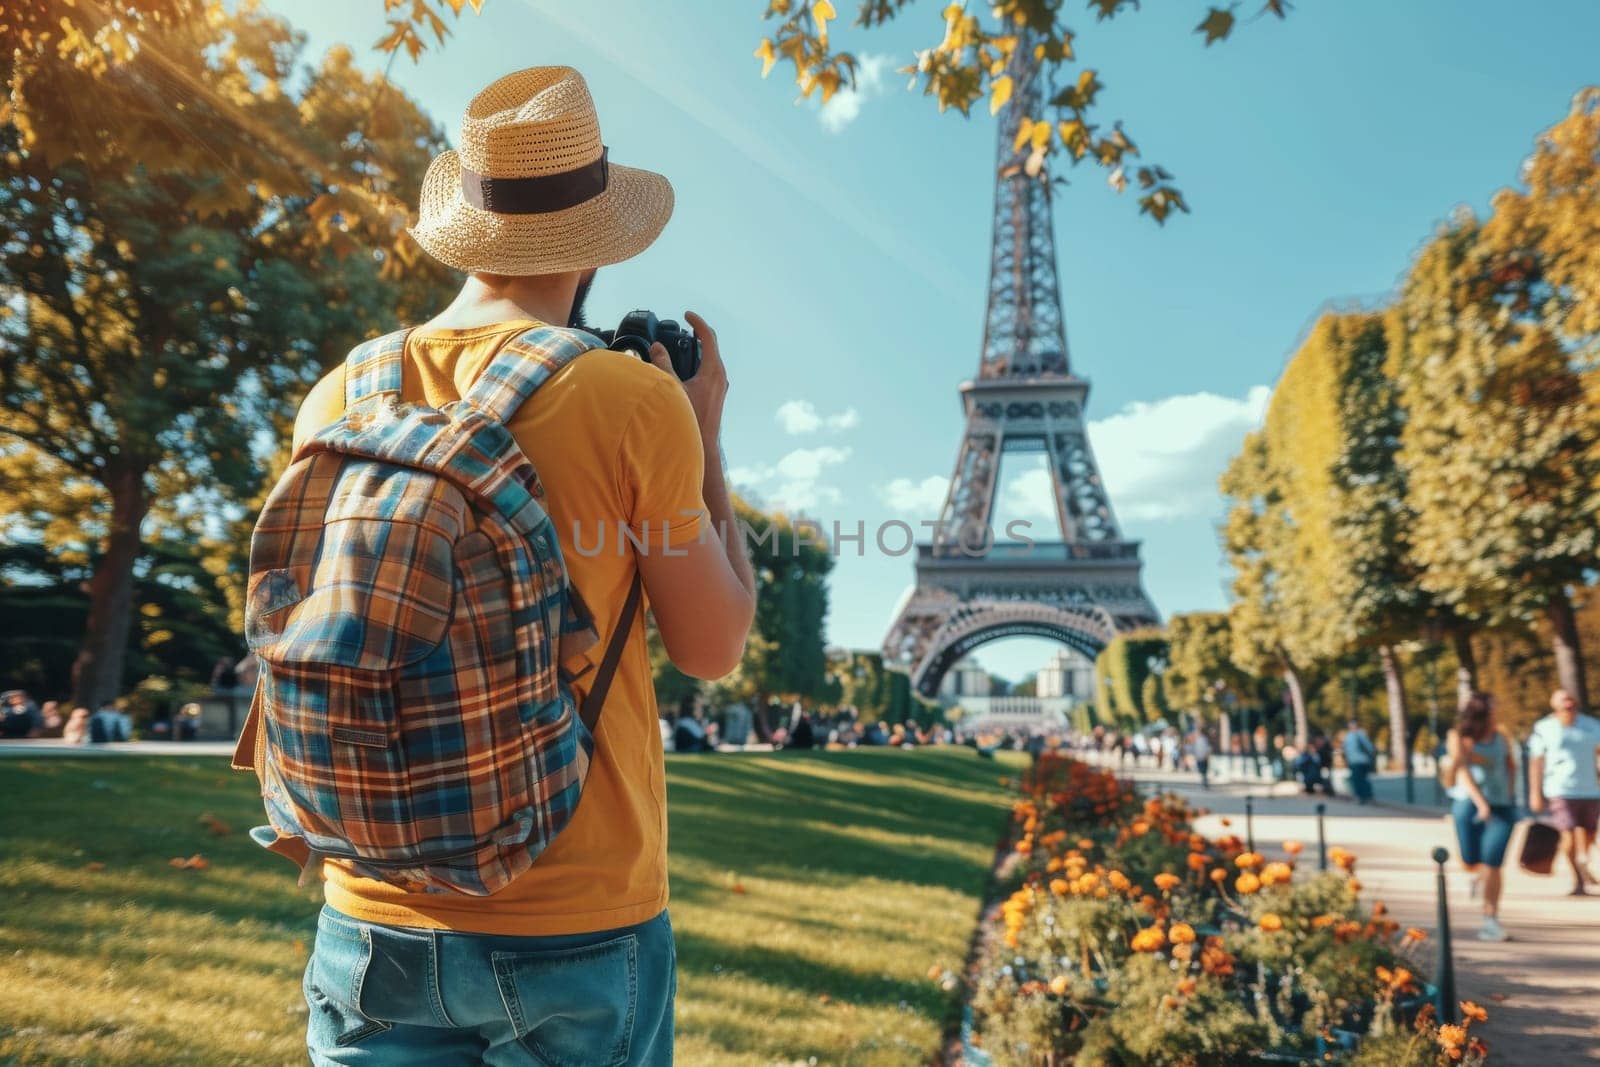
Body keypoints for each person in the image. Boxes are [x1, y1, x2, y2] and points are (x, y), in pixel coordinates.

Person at [283, 67, 755, 1064]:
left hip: (369, 902)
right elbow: (714, 647)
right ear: (597, 238)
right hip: (576, 907)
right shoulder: (627, 399)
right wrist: (705, 437)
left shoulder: (336, 394)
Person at [1444, 692, 1516, 941]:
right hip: (1467, 804)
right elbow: (1462, 771)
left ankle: (1490, 920)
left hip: (1502, 808)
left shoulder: (1502, 735)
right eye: (1494, 709)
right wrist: (1481, 803)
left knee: (1493, 862)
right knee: (1470, 858)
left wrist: (1509, 793)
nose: (1498, 713)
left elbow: (1511, 765)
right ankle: (1476, 876)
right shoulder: (1460, 737)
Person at [1527, 688, 1600, 896]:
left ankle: (1583, 861)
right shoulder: (1544, 728)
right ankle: (1578, 879)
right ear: (1553, 704)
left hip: (1590, 790)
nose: (1567, 703)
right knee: (1567, 836)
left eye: (1570, 698)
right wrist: (1535, 792)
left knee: (1589, 834)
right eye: (1562, 699)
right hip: (1559, 789)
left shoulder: (1591, 726)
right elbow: (1536, 761)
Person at [1342, 720, 1377, 804]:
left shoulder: (1360, 735)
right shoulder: (1349, 736)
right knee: (1357, 779)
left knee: (1360, 779)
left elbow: (1370, 748)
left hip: (1361, 761)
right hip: (1354, 761)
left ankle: (1364, 796)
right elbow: (1346, 750)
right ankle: (1363, 796)